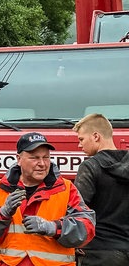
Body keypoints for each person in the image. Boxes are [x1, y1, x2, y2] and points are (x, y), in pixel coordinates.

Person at [0, 132, 95, 266]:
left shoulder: (66, 189)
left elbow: (87, 229)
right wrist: (2, 214)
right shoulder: (0, 188)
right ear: (19, 159)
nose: (42, 164)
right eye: (34, 158)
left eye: (46, 157)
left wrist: (53, 227)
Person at [72, 113, 129, 265]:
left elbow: (77, 209)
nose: (79, 145)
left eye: (81, 139)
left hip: (98, 251)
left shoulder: (90, 166)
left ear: (96, 136)